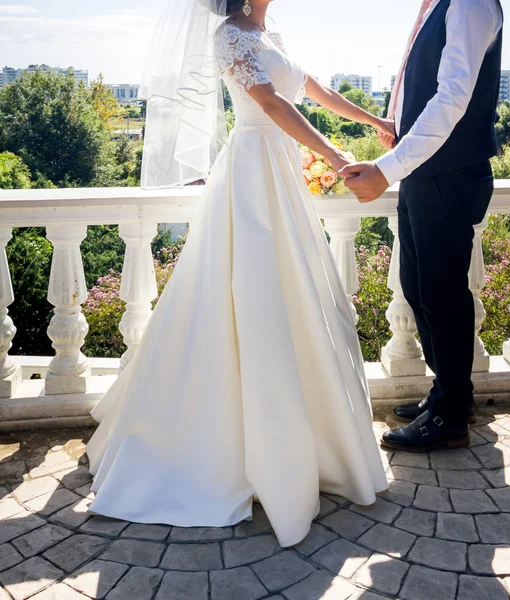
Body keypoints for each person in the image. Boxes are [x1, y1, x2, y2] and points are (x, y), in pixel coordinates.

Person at [86, 0, 391, 548]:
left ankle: (316, 447)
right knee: (252, 292)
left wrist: (375, 121)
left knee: (297, 295)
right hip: (253, 172)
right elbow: (269, 102)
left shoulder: (269, 31)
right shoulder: (230, 35)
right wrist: (333, 152)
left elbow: (313, 88)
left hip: (282, 173)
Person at [342, 0, 504, 452]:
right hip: (426, 171)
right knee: (418, 287)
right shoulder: (440, 4)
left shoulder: (470, 3)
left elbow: (453, 96)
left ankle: (451, 415)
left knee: (443, 293)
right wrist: (398, 122)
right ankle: (449, 397)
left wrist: (388, 167)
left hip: (448, 174)